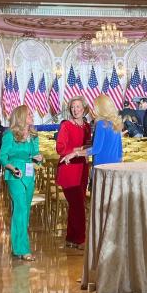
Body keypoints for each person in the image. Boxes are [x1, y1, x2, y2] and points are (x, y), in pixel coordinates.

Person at [0, 105, 43, 261]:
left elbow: (36, 153)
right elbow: (2, 157)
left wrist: (38, 157)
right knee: (21, 209)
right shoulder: (10, 135)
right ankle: (23, 249)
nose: (32, 116)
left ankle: (17, 246)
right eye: (29, 113)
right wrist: (12, 168)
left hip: (29, 174)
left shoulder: (33, 135)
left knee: (23, 211)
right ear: (21, 117)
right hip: (15, 175)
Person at [56, 97, 91, 250]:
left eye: (78, 107)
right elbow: (60, 148)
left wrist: (85, 149)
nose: (75, 110)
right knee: (78, 205)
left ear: (84, 108)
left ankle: (71, 238)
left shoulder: (87, 126)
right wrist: (77, 150)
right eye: (72, 107)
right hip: (69, 169)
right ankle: (80, 239)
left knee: (76, 205)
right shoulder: (66, 126)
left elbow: (89, 145)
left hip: (83, 168)